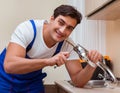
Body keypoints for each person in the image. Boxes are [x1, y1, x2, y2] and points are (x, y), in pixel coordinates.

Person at [0, 4, 102, 93]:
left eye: (69, 28)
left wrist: (91, 64)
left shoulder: (67, 44)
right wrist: (48, 61)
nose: (62, 30)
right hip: (4, 78)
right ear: (52, 19)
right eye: (61, 23)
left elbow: (78, 81)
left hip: (32, 81)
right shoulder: (28, 29)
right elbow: (10, 66)